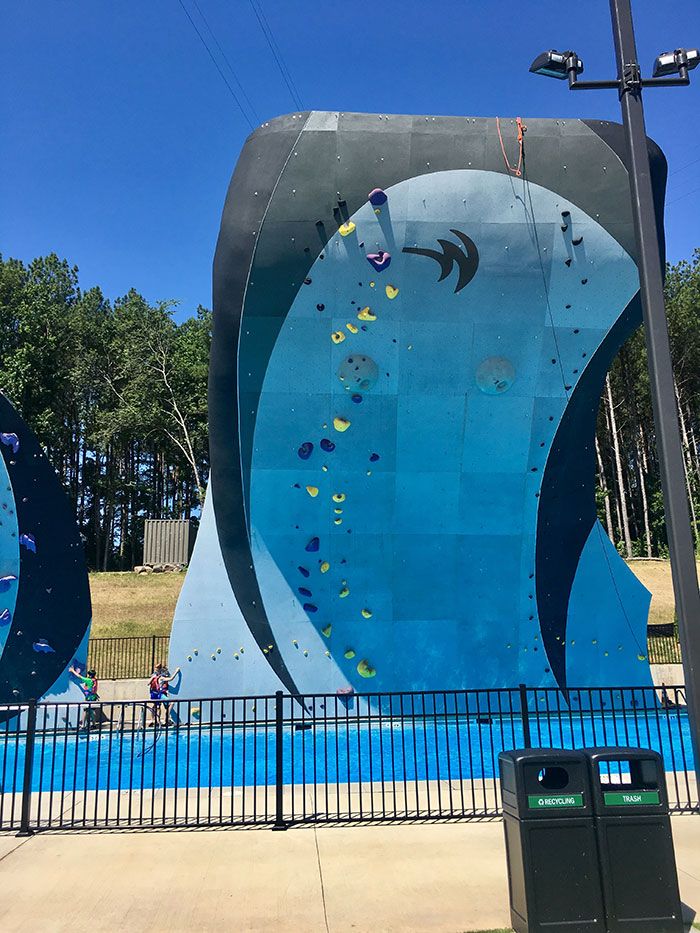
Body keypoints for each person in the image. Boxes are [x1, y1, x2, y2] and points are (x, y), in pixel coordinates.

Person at [69, 665, 100, 730]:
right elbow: (93, 688)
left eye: (88, 675)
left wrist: (72, 670)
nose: (87, 675)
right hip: (93, 697)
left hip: (89, 698)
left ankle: (83, 725)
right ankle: (94, 725)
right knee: (92, 710)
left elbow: (79, 677)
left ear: (90, 675)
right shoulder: (95, 680)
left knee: (85, 711)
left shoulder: (88, 680)